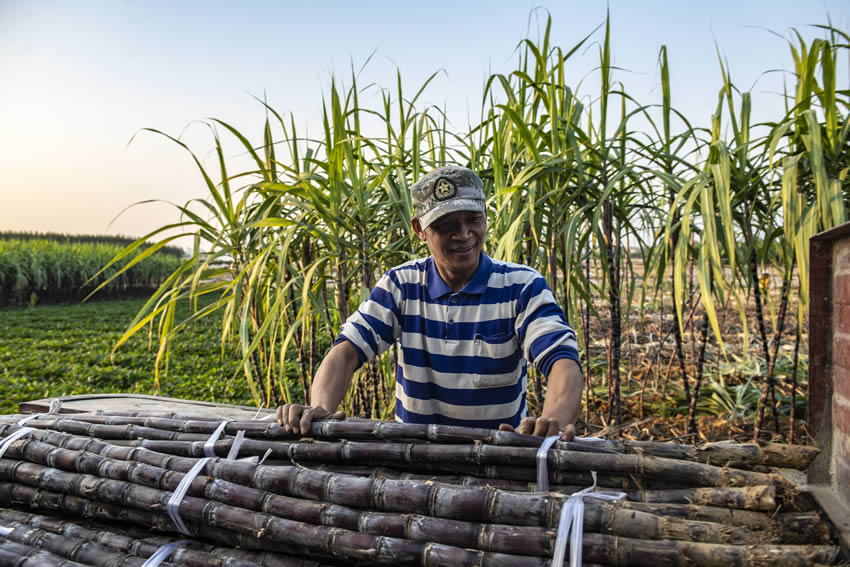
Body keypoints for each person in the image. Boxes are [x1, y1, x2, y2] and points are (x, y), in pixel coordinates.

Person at [276, 165, 583, 439]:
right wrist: (320, 407)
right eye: (446, 225)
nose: (463, 235)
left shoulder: (522, 286)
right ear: (420, 229)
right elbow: (347, 351)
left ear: (486, 218)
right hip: (414, 458)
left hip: (498, 457)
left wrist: (550, 423)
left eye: (473, 220)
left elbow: (561, 359)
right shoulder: (402, 285)